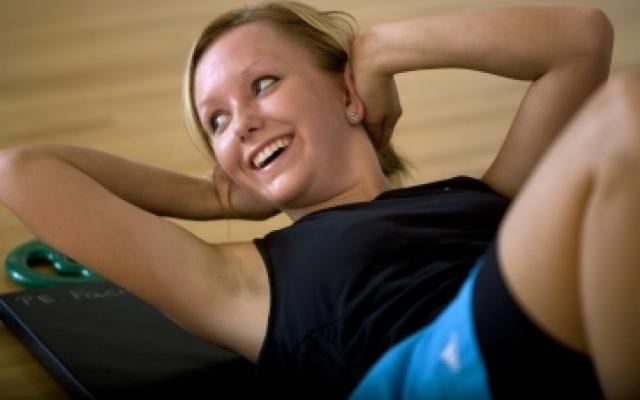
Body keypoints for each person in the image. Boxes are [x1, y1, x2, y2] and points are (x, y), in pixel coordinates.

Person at [0, 1, 637, 398]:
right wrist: (216, 194)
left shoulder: (484, 196)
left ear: (347, 93)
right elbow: (23, 170)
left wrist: (380, 49)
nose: (241, 122)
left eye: (264, 84)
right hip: (438, 371)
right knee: (627, 117)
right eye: (216, 122)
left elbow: (581, 37)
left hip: (541, 327)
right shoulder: (238, 281)